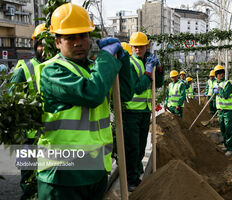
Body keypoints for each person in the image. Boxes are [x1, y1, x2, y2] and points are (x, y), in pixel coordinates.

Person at [35, 3, 134, 199]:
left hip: (94, 171)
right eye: (70, 38)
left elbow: (125, 94)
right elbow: (92, 94)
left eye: (83, 36)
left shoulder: (93, 68)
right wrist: (106, 58)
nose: (78, 42)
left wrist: (123, 62)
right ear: (57, 42)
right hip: (63, 175)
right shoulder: (52, 71)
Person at [123, 32, 164, 192]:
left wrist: (158, 69)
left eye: (141, 46)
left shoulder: (148, 61)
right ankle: (131, 180)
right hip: (131, 112)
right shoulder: (130, 63)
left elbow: (158, 84)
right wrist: (148, 72)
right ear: (131, 47)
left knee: (140, 145)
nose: (138, 49)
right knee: (132, 147)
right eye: (135, 46)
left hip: (144, 111)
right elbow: (138, 88)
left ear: (147, 46)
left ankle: (137, 170)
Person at [9, 23, 46, 200]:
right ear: (35, 45)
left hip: (52, 136)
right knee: (30, 182)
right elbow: (12, 105)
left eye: (48, 43)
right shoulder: (23, 69)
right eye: (41, 43)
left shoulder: (60, 68)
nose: (44, 48)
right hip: (29, 137)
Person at [213, 65, 232, 156]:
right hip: (221, 110)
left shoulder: (228, 84)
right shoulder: (216, 84)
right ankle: (226, 146)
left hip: (228, 111)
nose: (221, 75)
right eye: (219, 73)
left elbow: (225, 95)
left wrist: (219, 90)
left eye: (222, 73)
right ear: (216, 75)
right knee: (223, 129)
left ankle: (230, 148)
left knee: (229, 129)